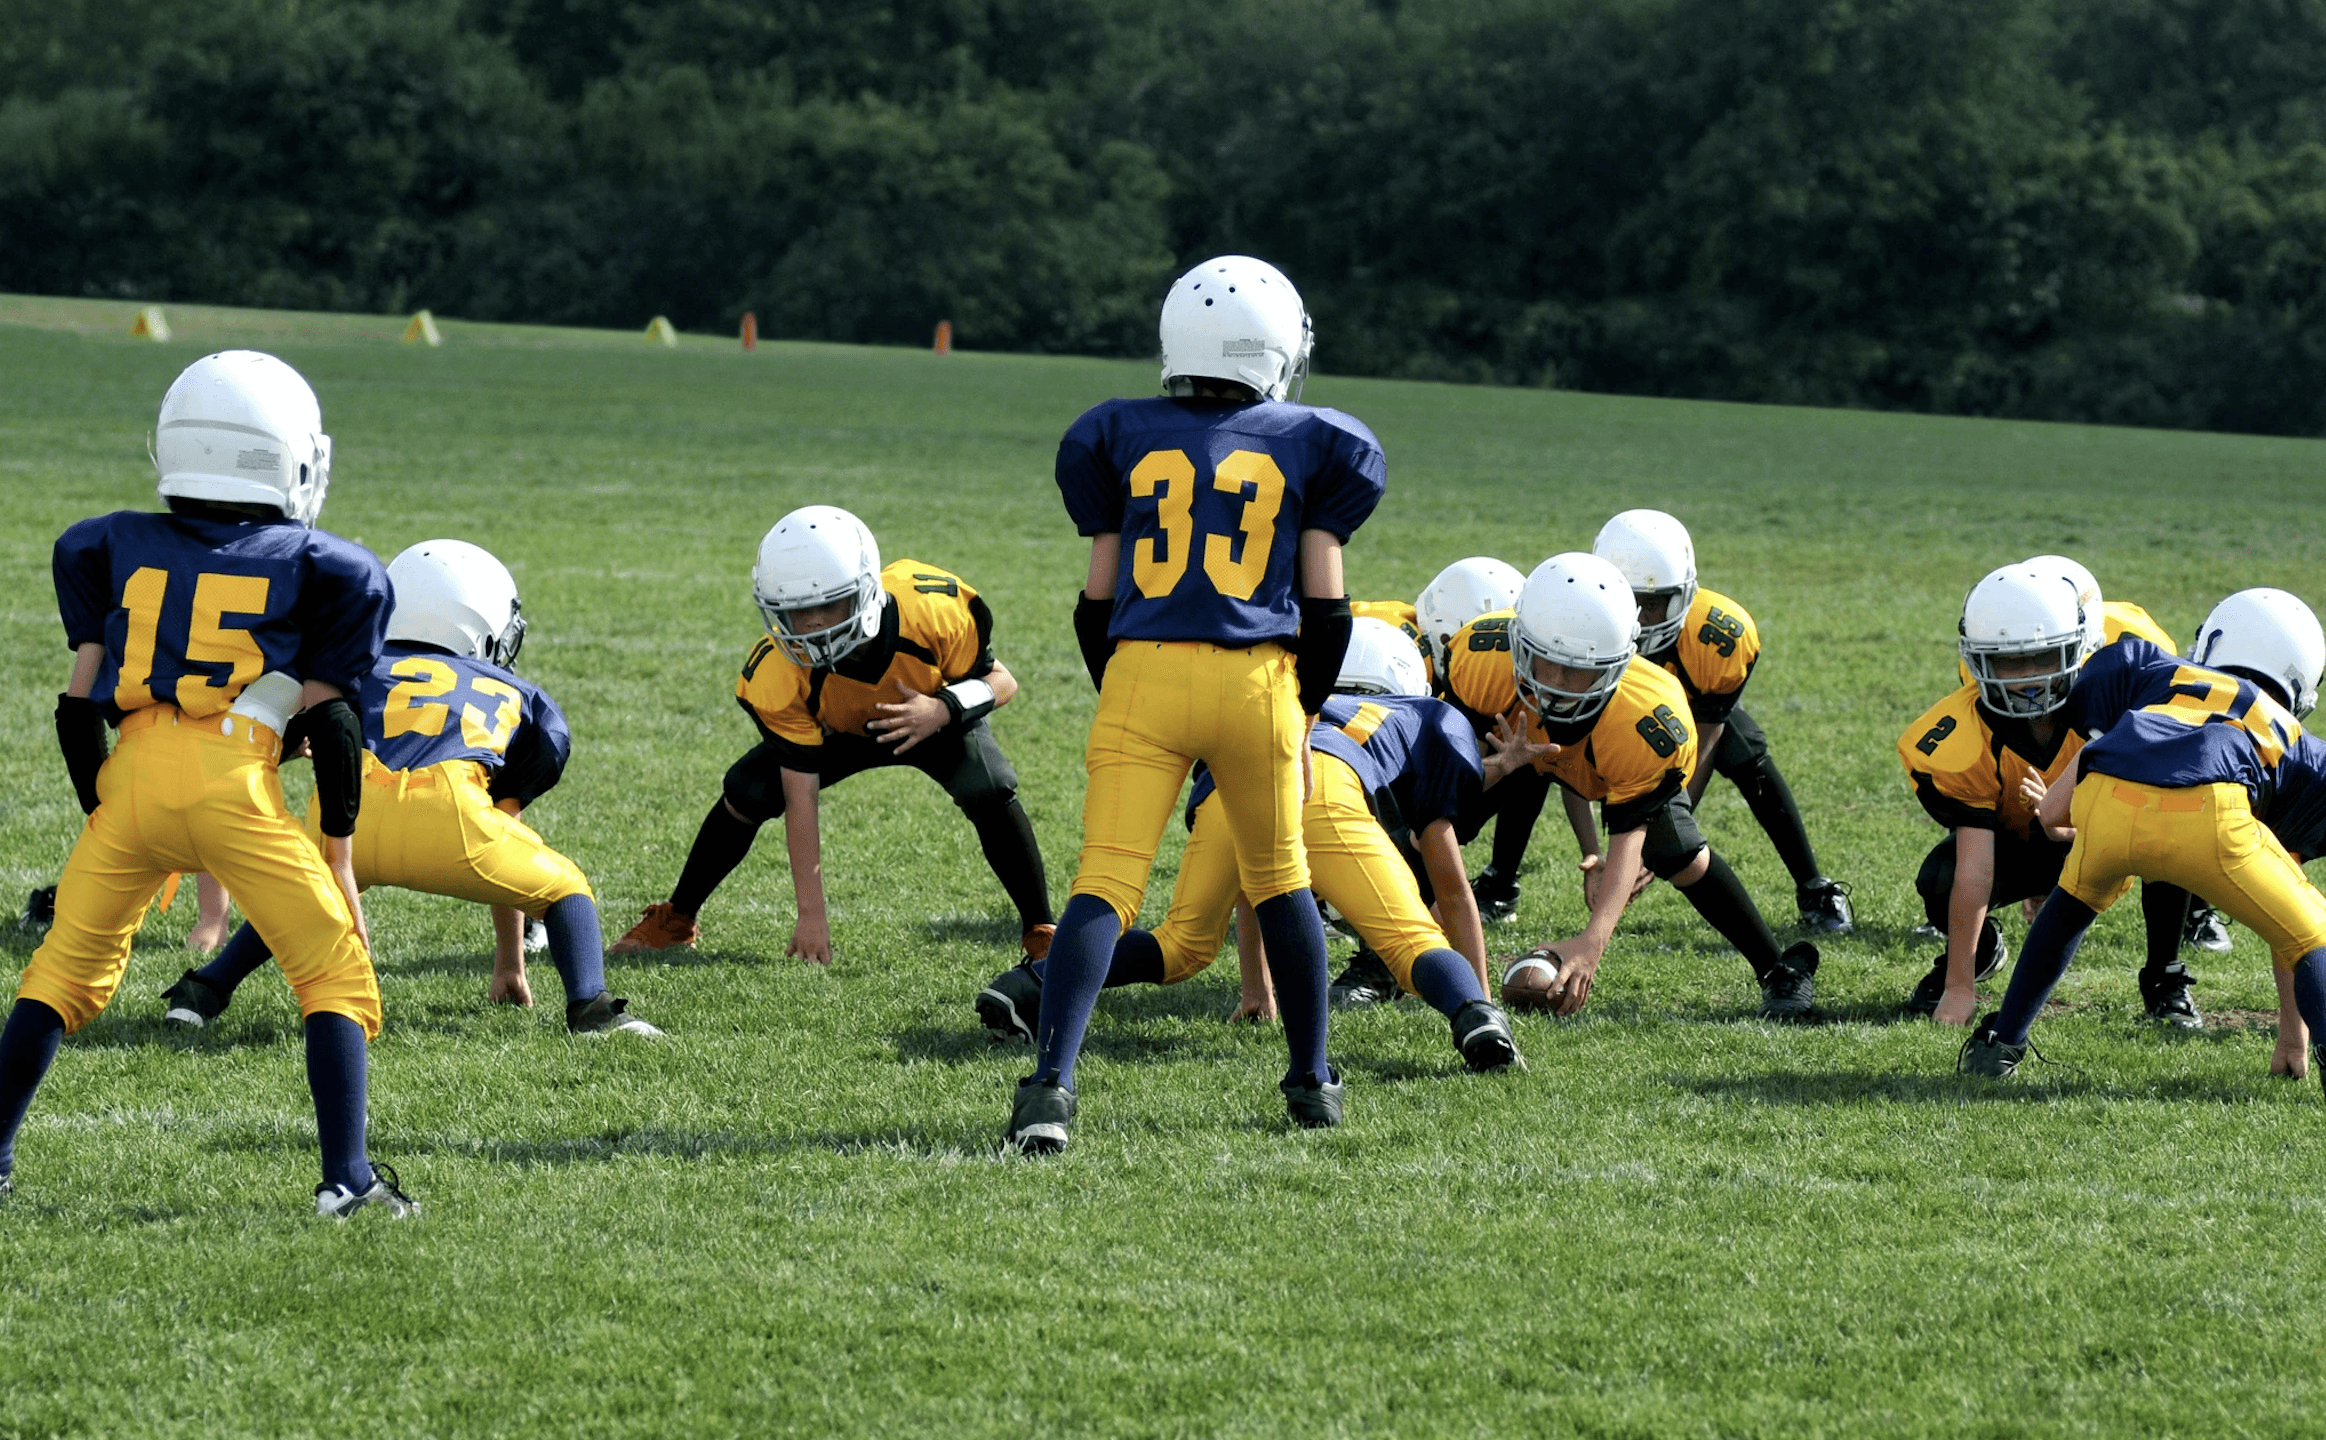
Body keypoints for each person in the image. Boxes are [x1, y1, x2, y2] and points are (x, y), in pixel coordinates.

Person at [0, 350, 412, 1217]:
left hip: (132, 778)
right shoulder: (327, 565)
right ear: (291, 457)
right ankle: (347, 1179)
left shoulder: (106, 541)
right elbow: (335, 724)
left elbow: (76, 710)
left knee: (61, 975)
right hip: (235, 788)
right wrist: (339, 854)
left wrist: (108, 811)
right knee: (333, 974)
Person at [1009, 253, 1381, 1154]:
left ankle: (1050, 1088)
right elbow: (1329, 609)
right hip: (1258, 681)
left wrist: (1126, 688)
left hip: (1143, 669)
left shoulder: (1117, 432)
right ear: (1275, 347)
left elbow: (1095, 601)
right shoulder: (1316, 439)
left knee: (1104, 885)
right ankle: (1310, 1079)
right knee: (1281, 880)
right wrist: (1301, 710)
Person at [160, 540, 660, 1038]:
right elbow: (506, 818)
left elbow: (274, 733)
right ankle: (590, 1008)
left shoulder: (351, 663)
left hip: (349, 813)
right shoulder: (520, 694)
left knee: (300, 895)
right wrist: (510, 960)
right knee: (566, 889)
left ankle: (203, 990)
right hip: (449, 816)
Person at [977, 619, 1518, 1071]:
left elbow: (1253, 878)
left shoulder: (1288, 697)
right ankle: (1474, 1018)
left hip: (1231, 789)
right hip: (1325, 790)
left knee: (1182, 943)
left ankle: (1030, 983)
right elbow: (1451, 889)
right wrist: (1482, 996)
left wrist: (1257, 988)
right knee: (1409, 941)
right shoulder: (1424, 716)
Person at [610, 505, 1052, 966]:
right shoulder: (778, 671)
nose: (814, 624)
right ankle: (677, 918)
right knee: (749, 788)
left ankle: (1041, 928)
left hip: (929, 717)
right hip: (837, 732)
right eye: (798, 611)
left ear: (865, 590)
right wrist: (812, 915)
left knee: (990, 784)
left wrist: (941, 709)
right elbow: (800, 799)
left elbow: (1002, 681)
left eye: (828, 604)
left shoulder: (931, 610)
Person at [1961, 589, 2326, 1083]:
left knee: (2069, 908)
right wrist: (2292, 1036)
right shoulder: (2290, 734)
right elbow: (2292, 882)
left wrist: (2075, 828)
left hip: (2110, 796)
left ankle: (2002, 1044)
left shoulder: (2155, 670)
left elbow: (2057, 803)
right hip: (2209, 812)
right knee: (2315, 936)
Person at [1460, 554, 1821, 1019]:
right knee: (1440, 808)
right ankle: (1387, 950)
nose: (1557, 684)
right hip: (1518, 744)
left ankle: (1778, 968)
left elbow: (1629, 831)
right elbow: (1436, 800)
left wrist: (1592, 942)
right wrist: (1493, 773)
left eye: (1578, 670)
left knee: (1677, 848)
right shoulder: (1483, 662)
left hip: (1607, 750)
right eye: (1545, 660)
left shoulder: (1646, 716)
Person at [1901, 563, 2197, 1025]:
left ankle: (2165, 975)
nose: (2024, 677)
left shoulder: (2121, 697)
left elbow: (2157, 809)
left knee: (2174, 831)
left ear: (2081, 648)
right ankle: (1978, 956)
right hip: (2023, 840)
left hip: (2121, 831)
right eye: (2007, 661)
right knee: (1943, 877)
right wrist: (1959, 987)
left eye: (2042, 658)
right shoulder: (1965, 733)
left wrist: (2065, 826)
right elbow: (1975, 870)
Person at [1590, 510, 1852, 932]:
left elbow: (1707, 741)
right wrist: (1594, 850)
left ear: (1684, 596)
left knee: (1741, 744)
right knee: (1527, 747)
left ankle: (1813, 886)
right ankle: (1500, 881)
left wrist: (1667, 833)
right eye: (1628, 599)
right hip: (1605, 720)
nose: (1638, 618)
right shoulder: (1578, 628)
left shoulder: (1719, 635)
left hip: (1680, 725)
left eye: (1652, 603)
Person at [2019, 554, 2230, 961]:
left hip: (2126, 755)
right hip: (2047, 762)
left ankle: (2194, 913)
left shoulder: (2135, 644)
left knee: (2170, 801)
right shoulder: (1993, 644)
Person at [1410, 557, 1533, 922]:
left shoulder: (1496, 677)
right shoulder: (1414, 665)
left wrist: (1591, 849)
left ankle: (1498, 883)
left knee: (1528, 760)